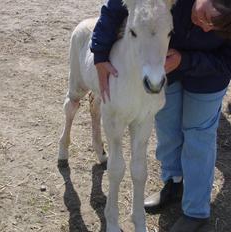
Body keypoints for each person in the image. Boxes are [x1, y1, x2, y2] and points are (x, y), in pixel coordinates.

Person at [90, 0, 231, 231]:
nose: (206, 28)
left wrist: (185, 60)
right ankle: (173, 183)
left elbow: (227, 61)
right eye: (206, 15)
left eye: (219, 27)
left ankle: (195, 211)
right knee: (167, 127)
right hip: (162, 67)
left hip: (208, 74)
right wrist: (99, 52)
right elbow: (116, 5)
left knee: (199, 135)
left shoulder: (211, 24)